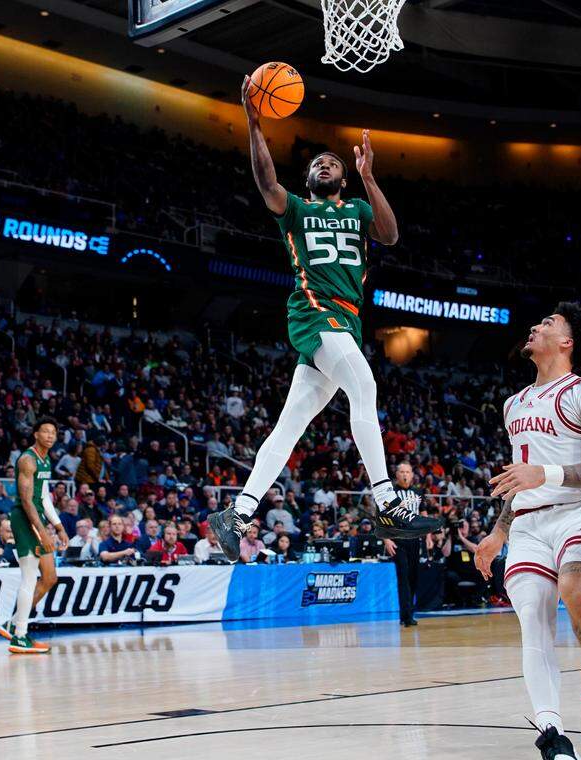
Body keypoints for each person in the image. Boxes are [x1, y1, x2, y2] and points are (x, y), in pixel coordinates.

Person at [208, 76, 441, 561]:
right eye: (317, 163)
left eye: (333, 162)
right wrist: (254, 123)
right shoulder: (294, 209)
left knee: (288, 429)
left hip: (345, 321)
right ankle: (387, 502)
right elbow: (266, 182)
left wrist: (372, 177)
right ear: (311, 178)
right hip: (315, 314)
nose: (325, 165)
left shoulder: (357, 207)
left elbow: (391, 234)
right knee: (365, 388)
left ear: (345, 176)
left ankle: (236, 514)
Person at [475, 303, 581, 760]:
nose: (535, 325)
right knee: (534, 624)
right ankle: (552, 734)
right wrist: (499, 532)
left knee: (578, 590)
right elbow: (520, 480)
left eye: (548, 323)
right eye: (537, 320)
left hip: (578, 512)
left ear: (567, 342)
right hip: (527, 526)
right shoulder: (512, 404)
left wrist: (546, 475)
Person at [0, 418, 67, 655]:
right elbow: (27, 501)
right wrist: (42, 531)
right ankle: (20, 636)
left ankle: (12, 624)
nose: (49, 435)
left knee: (49, 578)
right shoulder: (27, 459)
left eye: (53, 432)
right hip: (25, 519)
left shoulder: (45, 459)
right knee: (29, 577)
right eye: (45, 431)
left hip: (39, 519)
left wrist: (58, 526)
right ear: (35, 434)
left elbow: (44, 497)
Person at [384, 462, 422, 627]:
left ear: (412, 474)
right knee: (403, 578)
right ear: (397, 474)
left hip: (415, 539)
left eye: (408, 471)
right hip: (398, 540)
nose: (405, 475)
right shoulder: (390, 493)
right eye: (402, 472)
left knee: (413, 577)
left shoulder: (418, 493)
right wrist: (386, 539)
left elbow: (423, 514)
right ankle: (405, 617)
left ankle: (408, 614)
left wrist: (427, 536)